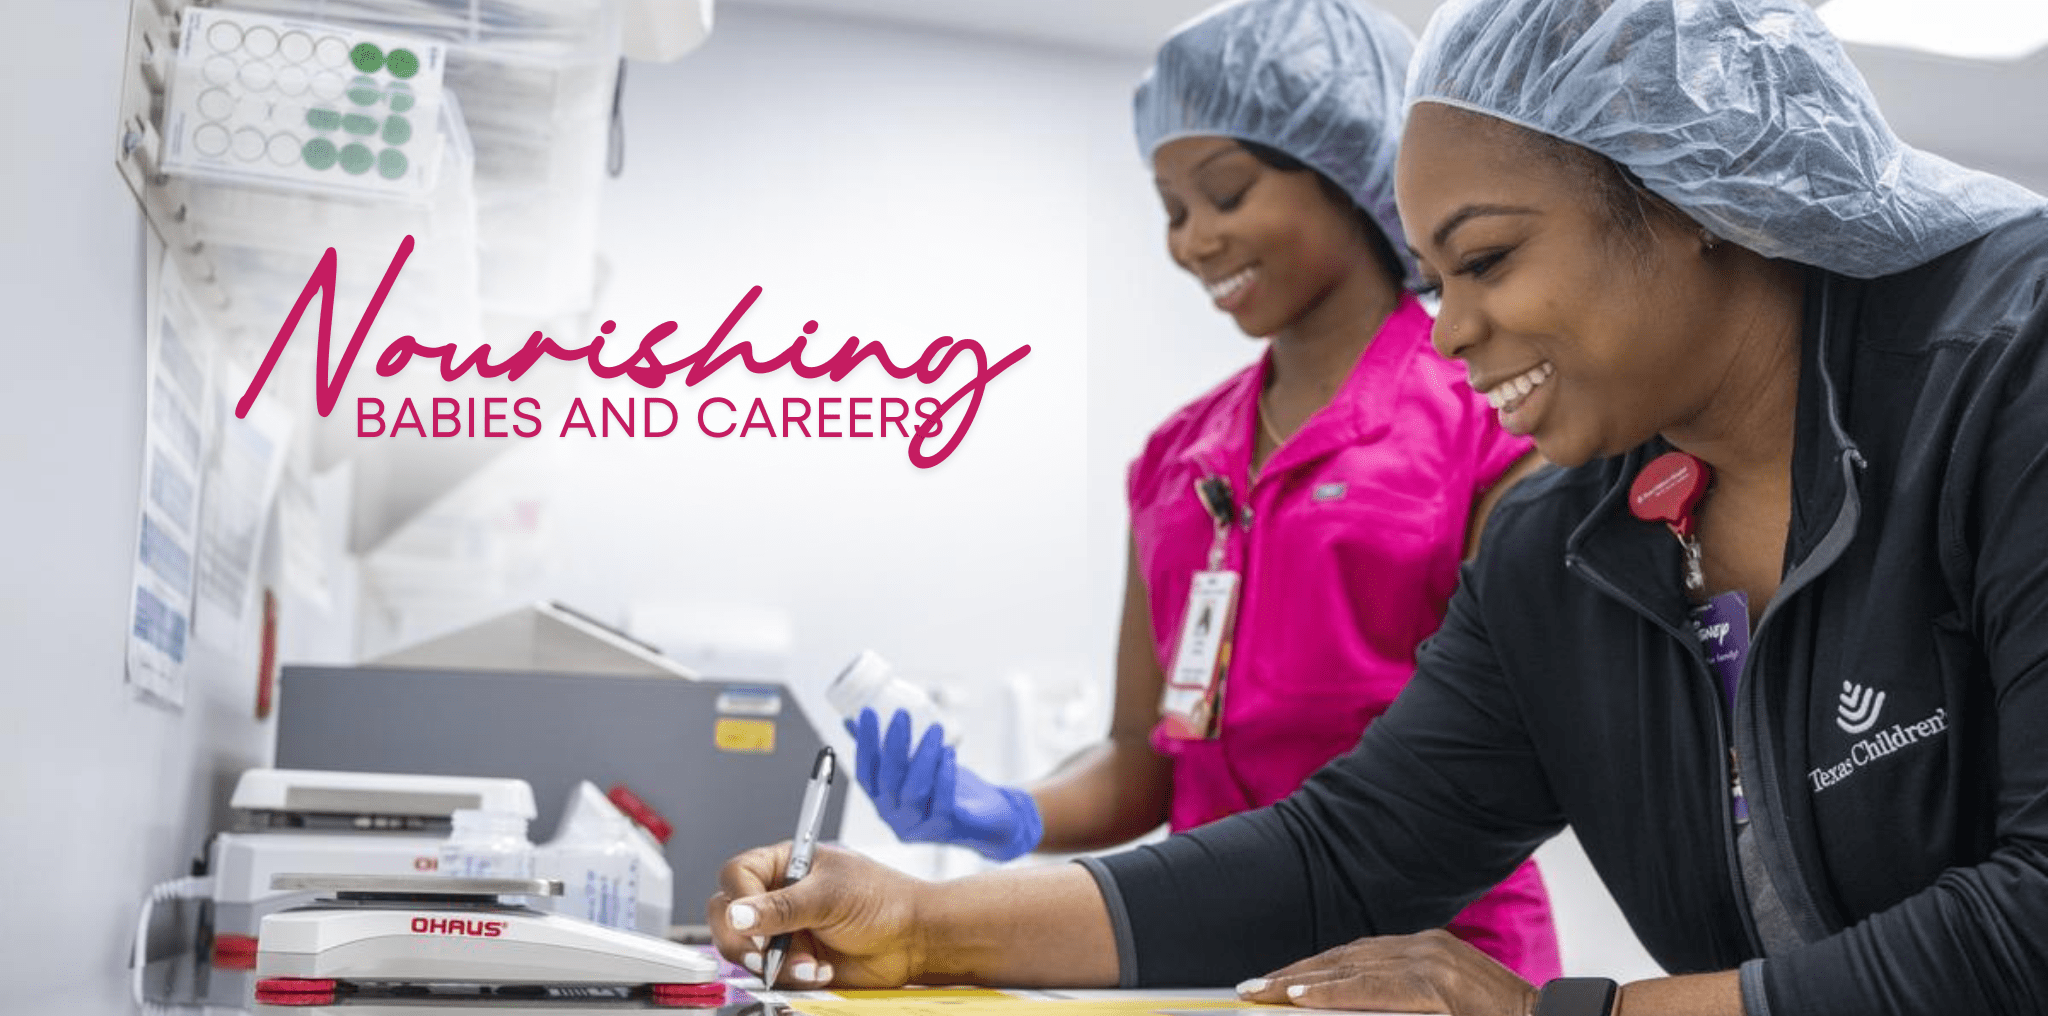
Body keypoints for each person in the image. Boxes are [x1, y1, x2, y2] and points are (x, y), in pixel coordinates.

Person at [709, 0, 2048, 1013]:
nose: (1452, 331)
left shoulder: (2008, 377)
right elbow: (1342, 853)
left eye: (1487, 259)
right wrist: (927, 916)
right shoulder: (1574, 542)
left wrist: (1562, 1014)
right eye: (1432, 275)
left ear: (1688, 189)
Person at [843, 0, 1558, 982]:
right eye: (1171, 209)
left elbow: (1492, 757)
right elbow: (1143, 758)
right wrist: (1005, 810)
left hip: (1426, 962)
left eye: (1224, 192)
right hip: (1203, 957)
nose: (1193, 241)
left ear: (1350, 162)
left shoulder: (1488, 420)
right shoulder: (1178, 457)